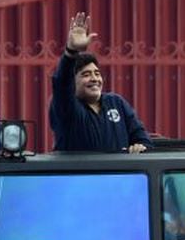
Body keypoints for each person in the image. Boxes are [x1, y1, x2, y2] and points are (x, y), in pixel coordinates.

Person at [49, 12, 152, 153]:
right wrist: (71, 51)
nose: (94, 79)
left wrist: (140, 146)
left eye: (97, 74)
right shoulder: (67, 108)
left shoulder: (116, 103)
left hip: (118, 174)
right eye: (86, 74)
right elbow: (62, 83)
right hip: (78, 175)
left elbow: (143, 139)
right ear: (73, 82)